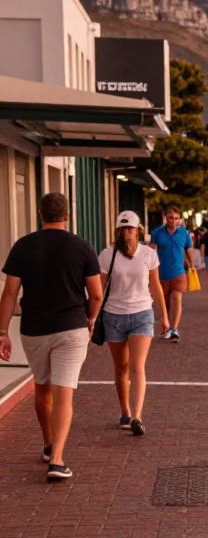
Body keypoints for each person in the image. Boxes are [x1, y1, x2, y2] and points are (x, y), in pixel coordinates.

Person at [0, 192, 102, 481]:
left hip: (34, 329)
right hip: (71, 328)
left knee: (42, 386)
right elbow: (95, 294)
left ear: (40, 215)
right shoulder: (82, 247)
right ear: (67, 215)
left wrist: (2, 332)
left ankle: (47, 444)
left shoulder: (23, 246)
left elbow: (9, 293)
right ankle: (57, 460)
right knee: (64, 392)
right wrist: (90, 319)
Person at [98, 211, 169, 436]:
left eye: (131, 229)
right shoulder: (107, 255)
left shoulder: (149, 254)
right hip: (113, 316)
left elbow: (156, 286)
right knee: (121, 368)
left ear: (138, 230)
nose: (127, 233)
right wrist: (91, 316)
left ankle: (137, 416)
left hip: (142, 314)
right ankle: (125, 412)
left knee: (138, 366)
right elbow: (99, 289)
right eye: (123, 229)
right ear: (117, 230)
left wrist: (164, 316)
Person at [149, 206, 193, 341]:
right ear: (165, 218)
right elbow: (152, 252)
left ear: (179, 220)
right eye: (171, 218)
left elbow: (189, 249)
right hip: (161, 274)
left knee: (176, 298)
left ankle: (174, 329)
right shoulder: (157, 233)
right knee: (166, 304)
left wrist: (192, 265)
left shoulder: (184, 234)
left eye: (176, 218)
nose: (174, 221)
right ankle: (167, 326)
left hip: (179, 273)